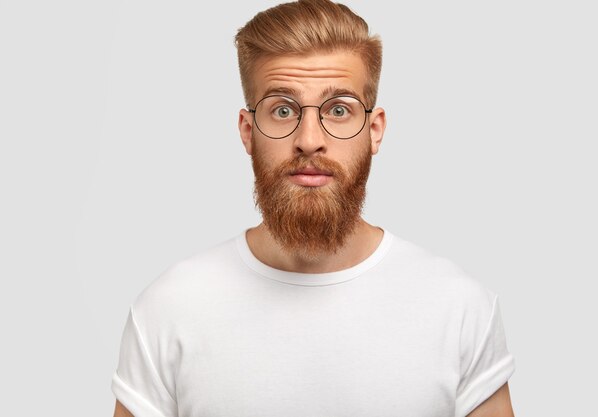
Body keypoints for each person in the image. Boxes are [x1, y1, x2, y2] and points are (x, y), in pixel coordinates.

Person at [111, 1, 516, 416]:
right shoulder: (170, 308)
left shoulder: (459, 308)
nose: (308, 139)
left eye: (338, 110)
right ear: (248, 133)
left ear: (374, 131)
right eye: (283, 110)